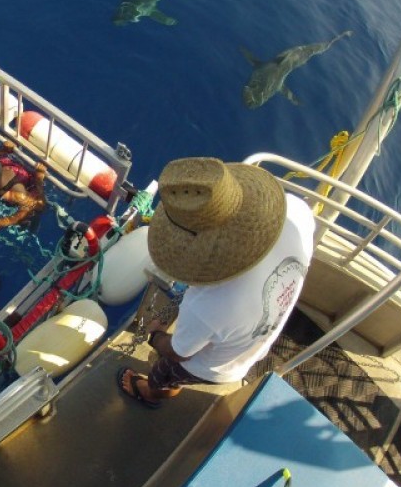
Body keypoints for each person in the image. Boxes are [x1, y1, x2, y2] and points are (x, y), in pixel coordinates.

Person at [116, 157, 315, 409]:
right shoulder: (296, 212)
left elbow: (179, 353)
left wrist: (155, 337)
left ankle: (151, 392)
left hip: (208, 368)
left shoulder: (208, 305)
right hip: (251, 348)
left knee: (165, 373)